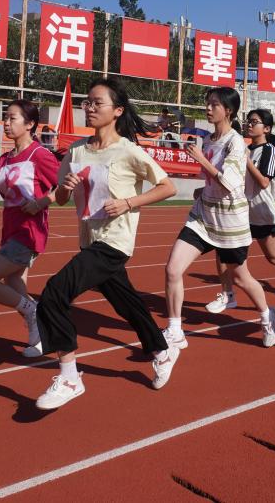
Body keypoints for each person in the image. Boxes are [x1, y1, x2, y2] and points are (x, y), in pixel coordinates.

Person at [31, 78, 181, 410]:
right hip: (90, 239)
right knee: (127, 304)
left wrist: (129, 202)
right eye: (87, 102)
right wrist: (66, 187)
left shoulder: (128, 151)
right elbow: (60, 197)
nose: (90, 107)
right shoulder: (76, 150)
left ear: (117, 111)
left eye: (98, 102)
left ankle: (69, 376)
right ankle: (162, 350)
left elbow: (168, 187)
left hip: (115, 241)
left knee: (55, 291)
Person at [162, 87, 275, 349]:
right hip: (203, 216)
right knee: (172, 269)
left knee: (240, 277)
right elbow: (213, 181)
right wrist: (202, 189)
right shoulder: (209, 140)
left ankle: (267, 316)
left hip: (230, 221)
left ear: (228, 111)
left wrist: (201, 160)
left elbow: (228, 183)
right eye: (207, 103)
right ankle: (174, 330)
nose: (208, 108)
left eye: (214, 104)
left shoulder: (235, 142)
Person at [0, 100, 60, 356]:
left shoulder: (39, 155)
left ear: (30, 124)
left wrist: (41, 202)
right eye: (6, 118)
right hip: (10, 231)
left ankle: (34, 310)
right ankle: (41, 336)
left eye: (13, 118)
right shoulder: (4, 159)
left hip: (28, 232)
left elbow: (66, 187)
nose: (7, 123)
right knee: (13, 283)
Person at [205, 108, 275, 315]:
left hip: (262, 212)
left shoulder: (269, 150)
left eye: (254, 122)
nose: (249, 125)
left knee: (273, 256)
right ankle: (227, 294)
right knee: (222, 252)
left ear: (266, 128)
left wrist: (247, 160)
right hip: (238, 211)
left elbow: (263, 182)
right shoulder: (241, 148)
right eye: (248, 121)